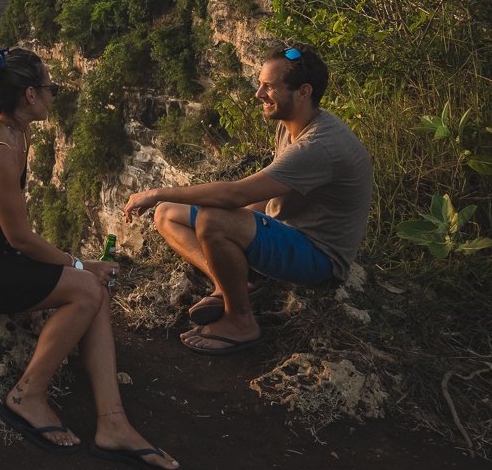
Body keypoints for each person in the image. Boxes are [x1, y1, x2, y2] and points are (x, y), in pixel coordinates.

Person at [0, 46, 179, 470]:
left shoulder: (14, 134)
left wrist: (81, 269)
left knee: (93, 291)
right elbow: (21, 239)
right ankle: (27, 394)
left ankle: (113, 424)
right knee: (87, 287)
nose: (54, 94)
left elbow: (14, 238)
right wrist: (80, 265)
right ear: (29, 95)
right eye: (51, 88)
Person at [123, 44, 372, 355]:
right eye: (260, 84)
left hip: (318, 256)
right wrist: (234, 219)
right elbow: (265, 196)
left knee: (211, 219)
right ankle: (232, 286)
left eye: (268, 86)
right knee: (166, 214)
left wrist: (156, 191)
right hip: (285, 230)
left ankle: (241, 321)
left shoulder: (319, 146)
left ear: (303, 92)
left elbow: (236, 193)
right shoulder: (292, 124)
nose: (258, 94)